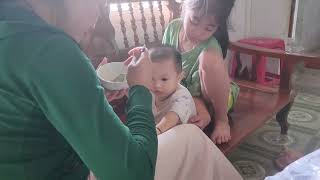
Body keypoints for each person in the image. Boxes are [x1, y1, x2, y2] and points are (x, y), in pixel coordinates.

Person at [0, 0, 243, 180]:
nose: (97, 17)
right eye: (99, 3)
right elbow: (135, 174)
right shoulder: (52, 51)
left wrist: (91, 94)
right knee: (191, 139)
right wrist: (140, 89)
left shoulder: (14, 29)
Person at [162, 0, 240, 144]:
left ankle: (222, 121)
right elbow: (164, 67)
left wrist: (212, 114)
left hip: (216, 98)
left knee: (209, 58)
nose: (198, 33)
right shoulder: (173, 29)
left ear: (217, 27)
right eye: (194, 21)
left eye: (209, 28)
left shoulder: (210, 48)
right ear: (185, 7)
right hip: (185, 93)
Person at [148, 46, 197, 135]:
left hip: (183, 134)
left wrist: (157, 131)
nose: (156, 85)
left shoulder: (183, 97)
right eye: (151, 78)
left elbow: (171, 118)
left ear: (179, 77)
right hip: (159, 129)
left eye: (164, 79)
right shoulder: (151, 90)